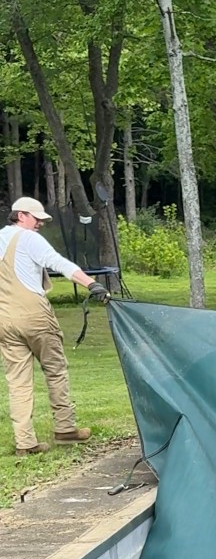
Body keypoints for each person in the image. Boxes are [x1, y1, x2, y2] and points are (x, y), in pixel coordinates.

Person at [0, 195, 104, 457]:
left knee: (18, 381)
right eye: (37, 219)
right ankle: (65, 428)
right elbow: (58, 263)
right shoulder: (28, 238)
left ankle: (25, 442)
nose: (40, 224)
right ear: (21, 215)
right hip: (33, 314)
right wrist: (91, 284)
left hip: (4, 318)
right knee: (55, 369)